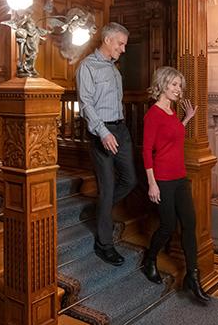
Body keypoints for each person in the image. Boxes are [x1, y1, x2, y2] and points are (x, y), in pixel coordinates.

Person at [141, 66, 211, 304]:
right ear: (162, 85)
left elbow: (171, 137)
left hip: (180, 177)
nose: (178, 89)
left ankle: (192, 276)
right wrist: (152, 184)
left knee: (190, 224)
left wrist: (186, 119)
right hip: (162, 179)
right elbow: (148, 152)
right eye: (173, 85)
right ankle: (150, 259)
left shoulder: (171, 112)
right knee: (168, 226)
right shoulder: (153, 114)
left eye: (179, 86)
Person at [75, 22, 137, 265]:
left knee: (130, 180)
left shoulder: (113, 68)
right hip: (102, 133)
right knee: (108, 186)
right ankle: (104, 244)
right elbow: (86, 105)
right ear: (108, 40)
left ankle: (100, 208)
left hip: (120, 129)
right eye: (120, 44)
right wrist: (103, 132)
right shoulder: (87, 67)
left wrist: (117, 131)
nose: (123, 49)